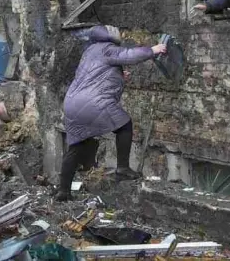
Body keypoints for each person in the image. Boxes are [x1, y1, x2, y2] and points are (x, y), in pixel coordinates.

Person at [56, 25, 167, 201]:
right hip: (92, 102)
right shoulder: (107, 48)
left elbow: (96, 76)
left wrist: (120, 77)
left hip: (71, 103)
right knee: (124, 125)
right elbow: (129, 56)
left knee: (76, 145)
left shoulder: (89, 51)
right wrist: (153, 50)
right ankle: (122, 168)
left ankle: (63, 191)